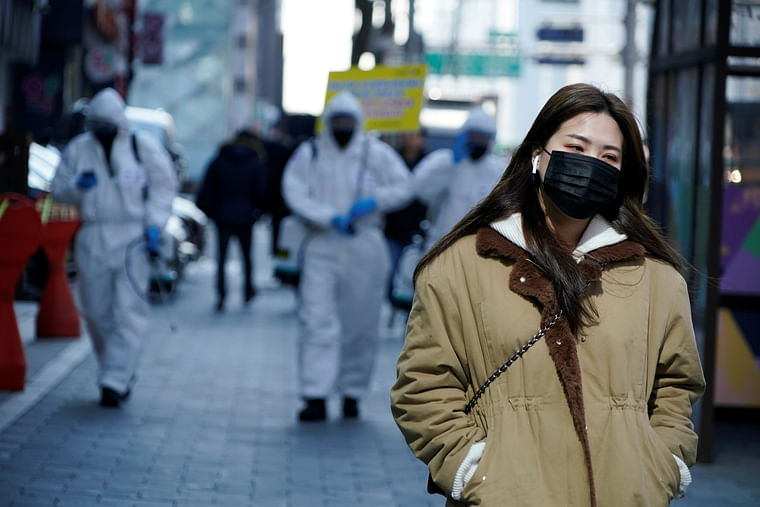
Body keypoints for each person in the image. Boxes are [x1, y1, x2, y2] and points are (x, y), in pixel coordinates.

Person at [390, 83, 705, 506]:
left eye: (608, 157)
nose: (591, 164)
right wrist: (475, 472)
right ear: (538, 155)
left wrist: (663, 464)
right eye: (576, 147)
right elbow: (423, 387)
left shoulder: (657, 277)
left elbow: (676, 384)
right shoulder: (459, 266)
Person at [282, 91, 411, 421]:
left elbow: (404, 186)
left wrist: (375, 200)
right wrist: (325, 215)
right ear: (328, 122)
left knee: (361, 322)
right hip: (322, 243)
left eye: (347, 121)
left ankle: (352, 392)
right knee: (316, 320)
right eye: (336, 121)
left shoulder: (375, 153)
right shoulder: (310, 153)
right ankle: (315, 394)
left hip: (364, 245)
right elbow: (293, 190)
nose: (342, 127)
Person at [52, 87, 177, 408]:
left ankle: (115, 379)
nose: (102, 130)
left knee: (128, 311)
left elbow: (164, 186)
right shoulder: (80, 149)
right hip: (93, 236)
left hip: (132, 239)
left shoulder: (141, 147)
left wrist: (154, 224)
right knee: (95, 310)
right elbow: (58, 189)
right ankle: (116, 367)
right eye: (97, 124)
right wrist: (76, 188)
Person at [196, 129, 268, 312]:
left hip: (223, 216)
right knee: (247, 257)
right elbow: (262, 192)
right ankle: (248, 291)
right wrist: (258, 212)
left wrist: (212, 212)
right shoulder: (255, 162)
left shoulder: (219, 161)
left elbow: (206, 191)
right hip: (246, 217)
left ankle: (221, 294)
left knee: (221, 258)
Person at [412, 107, 504, 249]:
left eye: (482, 137)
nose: (477, 141)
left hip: (479, 247)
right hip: (442, 243)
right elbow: (421, 190)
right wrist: (451, 166)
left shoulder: (498, 169)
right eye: (473, 136)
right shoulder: (444, 161)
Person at [383, 129, 429, 305]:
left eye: (415, 135)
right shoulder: (392, 159)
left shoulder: (429, 163)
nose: (410, 139)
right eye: (407, 134)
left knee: (412, 277)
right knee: (389, 272)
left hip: (417, 231)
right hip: (392, 229)